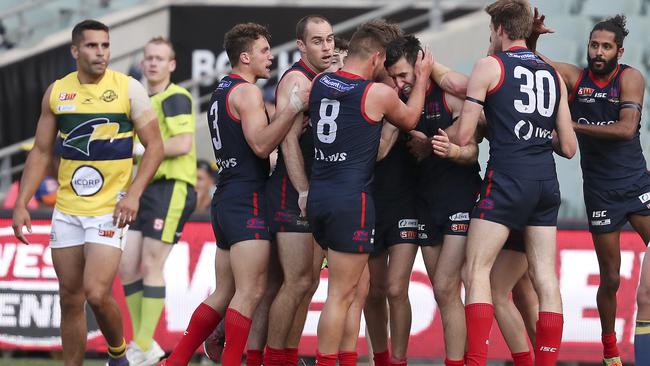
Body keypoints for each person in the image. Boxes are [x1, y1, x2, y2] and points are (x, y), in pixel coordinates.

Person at [11, 19, 164, 366]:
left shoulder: (129, 89)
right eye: (93, 46)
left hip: (110, 209)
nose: (101, 53)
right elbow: (41, 151)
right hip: (67, 209)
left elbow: (154, 147)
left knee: (96, 292)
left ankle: (117, 354)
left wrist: (134, 193)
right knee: (69, 297)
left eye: (105, 46)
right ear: (75, 51)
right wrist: (22, 202)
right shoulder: (57, 92)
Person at [159, 22, 308, 366]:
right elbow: (259, 145)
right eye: (264, 51)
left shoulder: (221, 90)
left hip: (226, 196)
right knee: (250, 291)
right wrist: (291, 109)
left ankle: (175, 360)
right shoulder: (248, 92)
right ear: (245, 57)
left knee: (225, 291)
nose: (270, 57)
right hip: (247, 198)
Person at [452, 1, 576, 365]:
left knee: (474, 271)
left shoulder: (489, 66)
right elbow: (568, 147)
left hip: (507, 181)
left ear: (500, 29)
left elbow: (462, 137)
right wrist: (534, 134)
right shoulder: (552, 75)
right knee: (544, 279)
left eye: (491, 29)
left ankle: (475, 361)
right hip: (545, 185)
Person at [307, 19, 433, 365]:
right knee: (340, 296)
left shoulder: (320, 82)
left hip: (318, 197)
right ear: (377, 58)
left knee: (355, 291)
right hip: (351, 202)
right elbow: (409, 118)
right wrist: (420, 79)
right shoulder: (376, 93)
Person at [528, 11, 648, 366]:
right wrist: (532, 39)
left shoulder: (631, 78)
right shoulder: (576, 78)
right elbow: (537, 65)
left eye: (606, 47)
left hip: (637, 185)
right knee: (609, 278)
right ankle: (610, 351)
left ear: (620, 52)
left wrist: (572, 126)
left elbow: (626, 129)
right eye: (594, 45)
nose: (598, 52)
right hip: (600, 193)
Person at [117, 36, 197, 366]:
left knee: (152, 264)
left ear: (172, 64)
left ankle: (141, 345)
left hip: (171, 186)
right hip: (142, 187)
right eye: (148, 57)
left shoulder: (175, 97)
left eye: (159, 58)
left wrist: (139, 149)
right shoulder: (137, 99)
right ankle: (144, 347)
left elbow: (182, 143)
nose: (152, 63)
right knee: (125, 266)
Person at [263, 14, 334, 366]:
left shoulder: (325, 79)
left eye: (330, 40)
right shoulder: (296, 78)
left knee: (306, 284)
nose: (327, 47)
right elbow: (287, 143)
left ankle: (287, 356)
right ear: (302, 46)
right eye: (318, 41)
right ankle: (275, 358)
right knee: (296, 282)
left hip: (315, 191)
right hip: (291, 192)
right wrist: (303, 191)